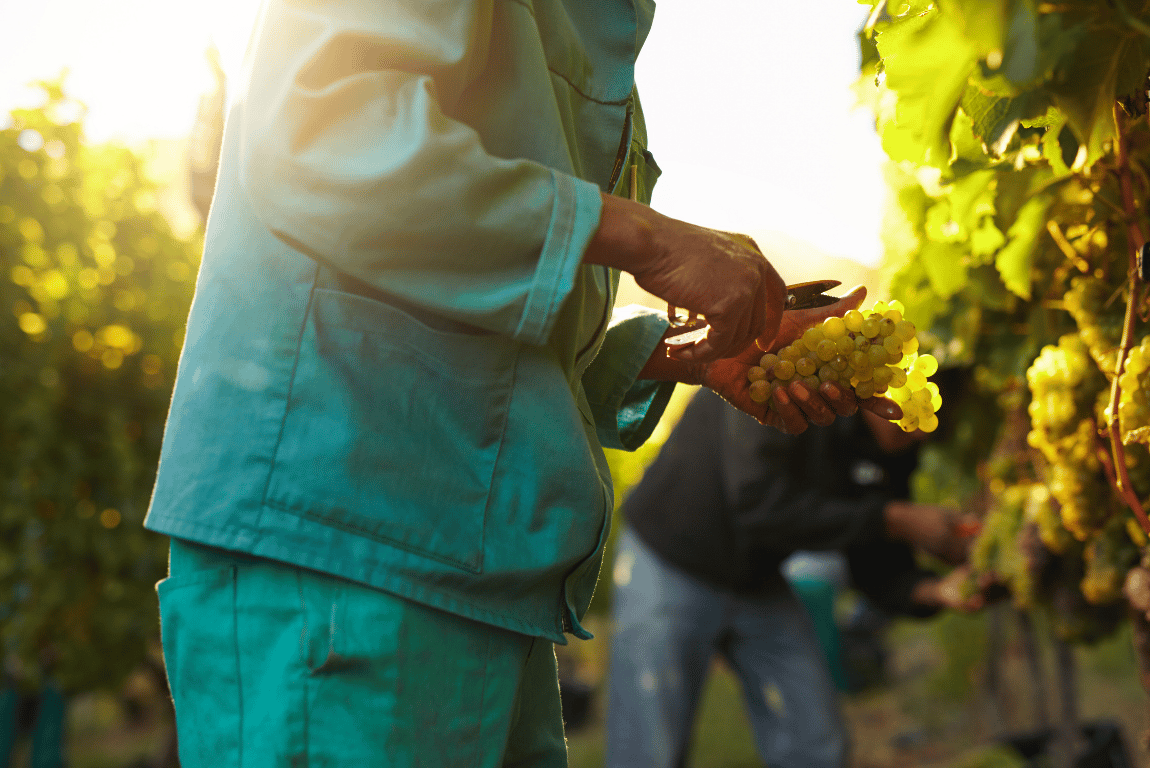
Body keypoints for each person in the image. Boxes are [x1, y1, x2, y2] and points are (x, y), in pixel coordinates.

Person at [142, 3, 899, 766]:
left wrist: (682, 356)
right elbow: (323, 137)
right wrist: (643, 234)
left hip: (461, 562)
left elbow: (481, 301)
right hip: (340, 553)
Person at [605, 387, 981, 768]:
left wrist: (939, 591)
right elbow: (758, 503)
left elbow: (874, 559)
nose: (919, 435)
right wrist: (892, 519)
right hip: (670, 558)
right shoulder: (793, 374)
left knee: (817, 743)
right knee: (649, 748)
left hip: (757, 578)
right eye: (913, 424)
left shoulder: (893, 442)